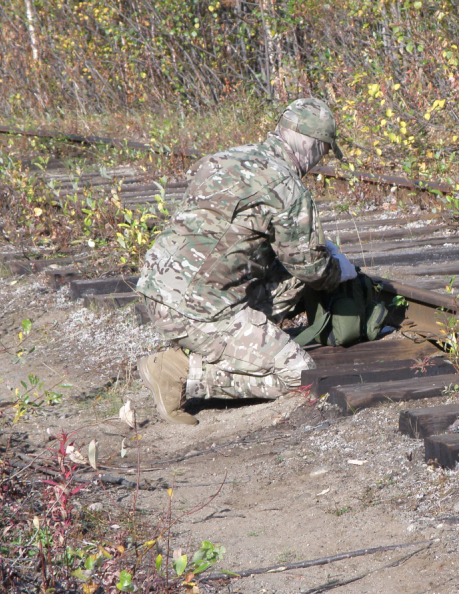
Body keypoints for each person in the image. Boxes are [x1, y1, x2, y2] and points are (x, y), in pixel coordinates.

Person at [135, 98, 357, 425]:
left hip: (158, 285)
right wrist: (339, 268)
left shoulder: (225, 158)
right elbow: (310, 268)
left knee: (288, 276)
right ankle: (179, 371)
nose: (318, 161)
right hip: (197, 309)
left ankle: (226, 343)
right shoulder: (288, 187)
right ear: (310, 144)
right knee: (303, 376)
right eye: (322, 151)